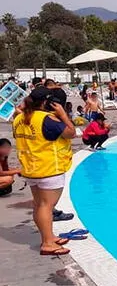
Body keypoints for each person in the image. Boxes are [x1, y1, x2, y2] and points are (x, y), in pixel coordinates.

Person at [13, 87, 75, 255]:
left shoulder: (18, 118)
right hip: (49, 169)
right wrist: (63, 114)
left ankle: (49, 236)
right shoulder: (46, 119)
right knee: (46, 206)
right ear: (46, 102)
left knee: (39, 205)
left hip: (31, 168)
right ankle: (47, 243)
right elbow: (71, 133)